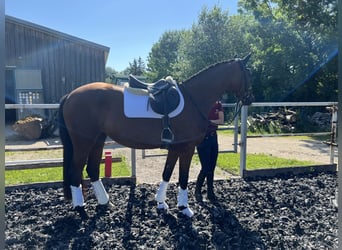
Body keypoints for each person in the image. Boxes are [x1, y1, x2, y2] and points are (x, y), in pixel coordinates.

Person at [195, 100, 224, 202]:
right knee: (205, 167)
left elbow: (221, 120)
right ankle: (197, 190)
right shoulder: (201, 103)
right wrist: (211, 121)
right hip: (203, 138)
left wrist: (209, 121)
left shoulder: (218, 104)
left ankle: (210, 192)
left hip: (213, 137)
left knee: (212, 167)